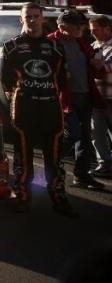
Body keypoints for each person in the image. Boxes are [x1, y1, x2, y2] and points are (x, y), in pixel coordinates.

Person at [1, 3, 75, 216]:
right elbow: (7, 82)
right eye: (28, 16)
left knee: (54, 156)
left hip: (50, 107)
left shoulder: (55, 48)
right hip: (24, 107)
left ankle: (59, 198)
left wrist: (48, 94)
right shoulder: (11, 47)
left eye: (36, 16)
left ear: (43, 19)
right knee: (23, 156)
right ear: (21, 19)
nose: (32, 20)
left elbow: (62, 80)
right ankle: (23, 197)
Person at [48, 10, 107, 191]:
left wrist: (99, 66)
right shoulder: (51, 43)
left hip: (86, 95)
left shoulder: (82, 43)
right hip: (64, 98)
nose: (81, 28)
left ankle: (81, 175)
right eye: (76, 26)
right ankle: (52, 164)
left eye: (81, 25)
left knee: (84, 138)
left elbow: (96, 70)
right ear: (62, 27)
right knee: (72, 134)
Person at [89, 14, 112, 178]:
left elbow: (105, 69)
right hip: (97, 98)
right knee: (96, 133)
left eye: (95, 30)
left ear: (107, 28)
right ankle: (104, 164)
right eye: (91, 30)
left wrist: (99, 65)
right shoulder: (93, 46)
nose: (93, 33)